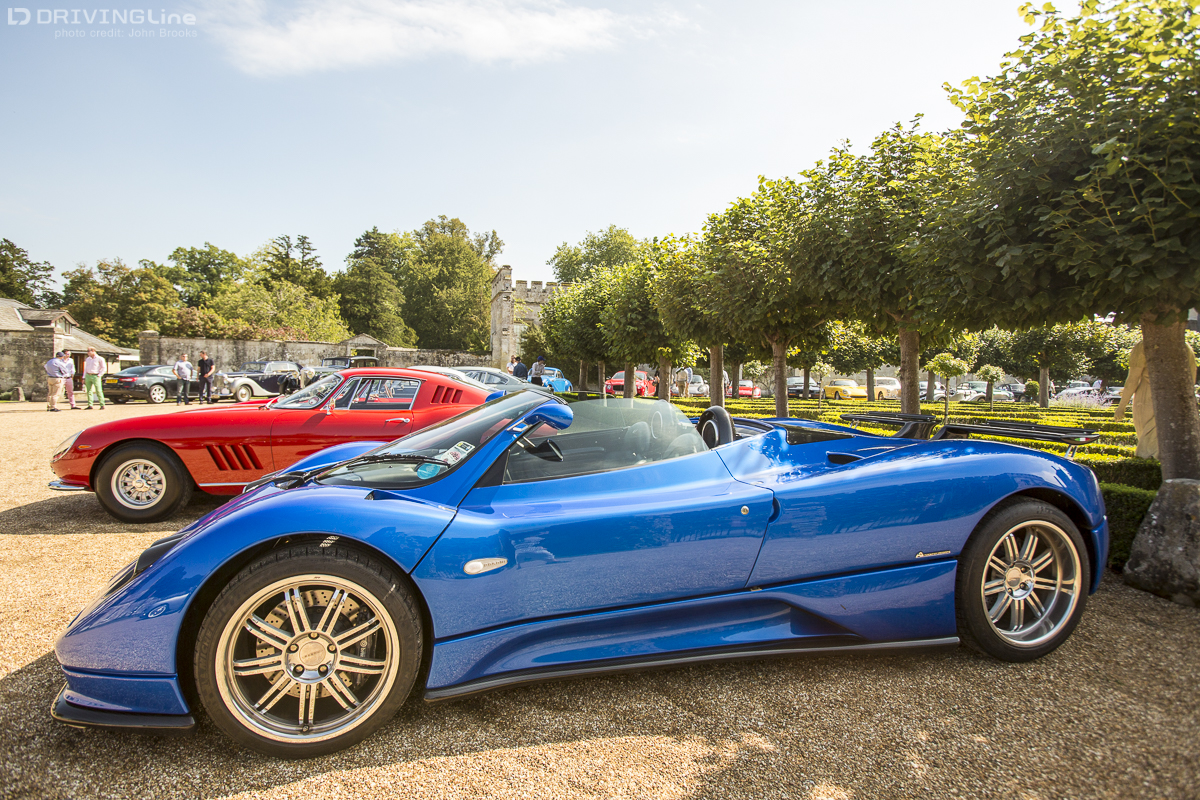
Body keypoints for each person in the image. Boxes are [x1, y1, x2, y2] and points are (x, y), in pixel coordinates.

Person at [1115, 340, 1197, 459]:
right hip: (1175, 399)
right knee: (1164, 443)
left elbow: (1133, 379)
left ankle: (1148, 470)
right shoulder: (1184, 346)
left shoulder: (1144, 345)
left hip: (1148, 398)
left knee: (1148, 446)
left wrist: (1121, 406)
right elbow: (1190, 379)